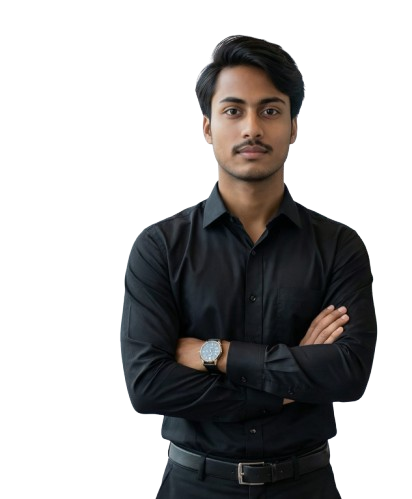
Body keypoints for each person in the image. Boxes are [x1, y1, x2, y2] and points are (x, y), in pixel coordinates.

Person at [120, 34, 377, 498]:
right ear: (207, 126)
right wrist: (290, 383)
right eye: (233, 110)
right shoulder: (159, 247)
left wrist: (215, 354)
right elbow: (148, 386)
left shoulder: (340, 245)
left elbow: (348, 373)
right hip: (193, 488)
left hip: (307, 487)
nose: (252, 128)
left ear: (294, 127)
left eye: (270, 110)